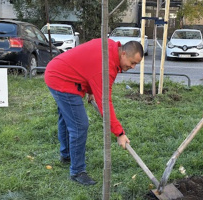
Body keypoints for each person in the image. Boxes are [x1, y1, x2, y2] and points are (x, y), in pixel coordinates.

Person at [44, 39, 143, 185]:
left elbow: (87, 64)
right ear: (123, 53)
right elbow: (105, 103)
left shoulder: (110, 47)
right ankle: (77, 171)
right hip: (62, 79)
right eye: (132, 62)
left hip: (57, 70)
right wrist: (119, 133)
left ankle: (66, 155)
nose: (133, 67)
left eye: (136, 64)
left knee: (67, 118)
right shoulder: (106, 67)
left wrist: (90, 89)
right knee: (79, 125)